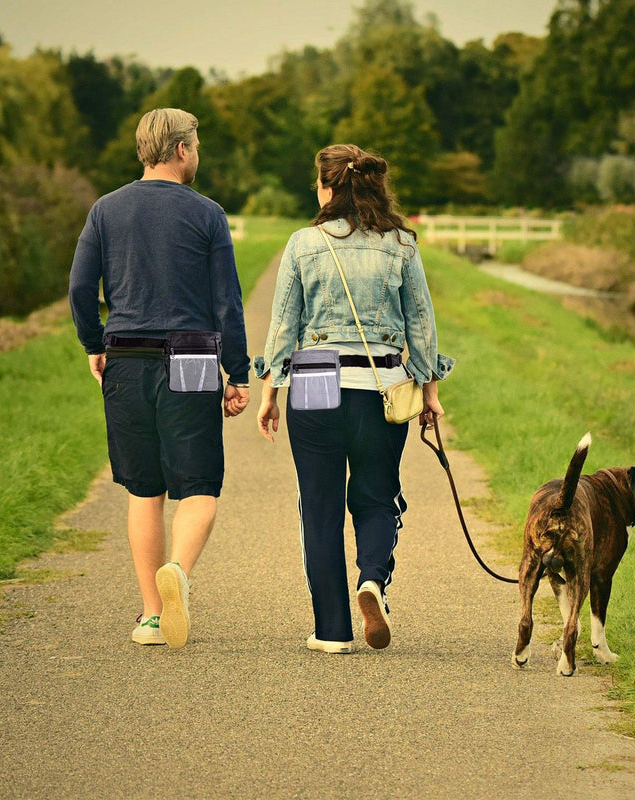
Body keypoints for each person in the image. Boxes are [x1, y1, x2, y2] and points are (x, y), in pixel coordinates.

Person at [255, 144, 454, 654]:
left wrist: (270, 392)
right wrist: (429, 392)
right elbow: (422, 325)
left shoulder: (303, 243)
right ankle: (372, 580)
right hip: (382, 384)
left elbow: (283, 326)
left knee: (318, 506)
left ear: (329, 187)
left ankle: (331, 631)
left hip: (316, 378)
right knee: (376, 496)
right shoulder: (402, 245)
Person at [69, 108, 250, 649]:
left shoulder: (105, 210)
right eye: (195, 145)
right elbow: (227, 303)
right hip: (192, 355)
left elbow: (81, 288)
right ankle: (178, 570)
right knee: (198, 487)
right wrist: (236, 374)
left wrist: (93, 343)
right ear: (179, 151)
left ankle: (151, 613)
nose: (197, 155)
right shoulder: (208, 214)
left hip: (125, 355)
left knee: (144, 490)